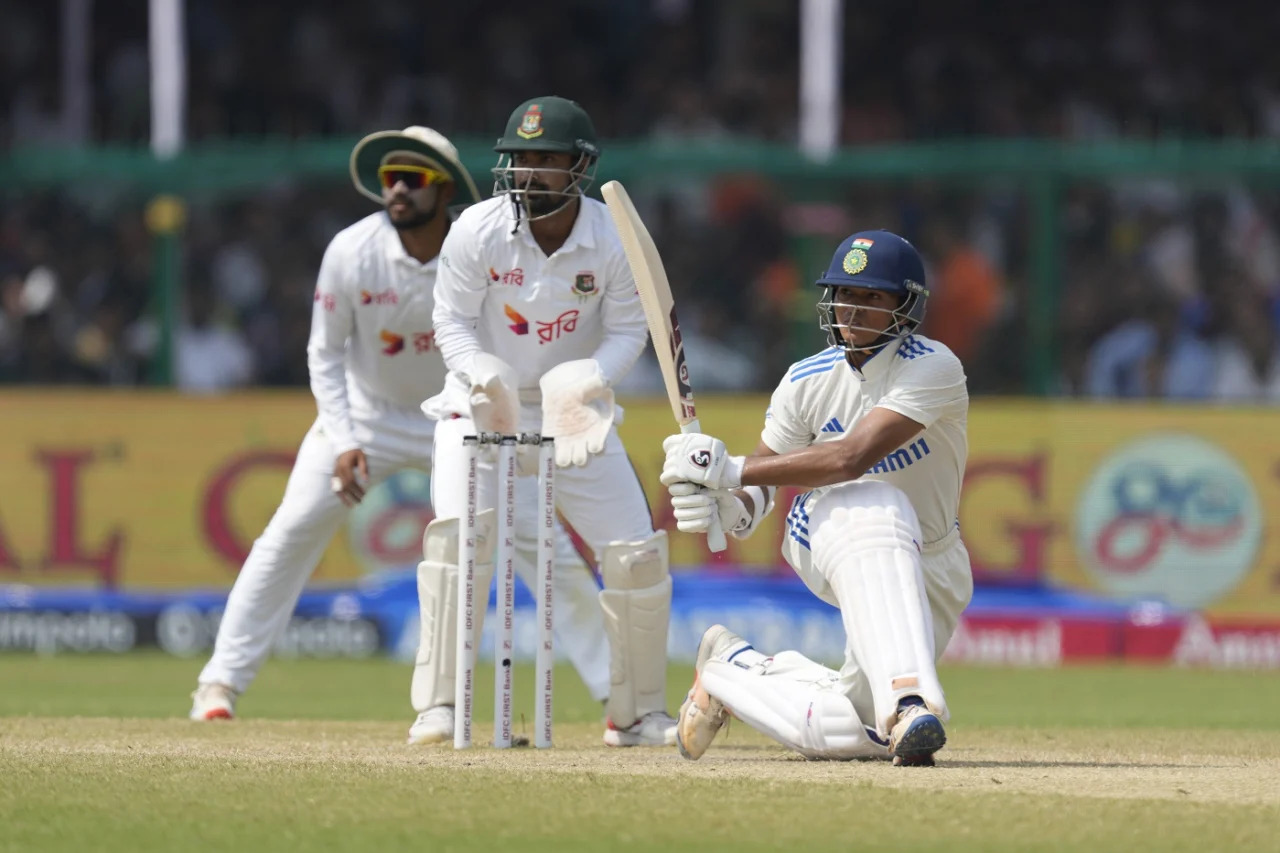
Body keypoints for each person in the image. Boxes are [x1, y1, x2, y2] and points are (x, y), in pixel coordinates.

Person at [188, 127, 606, 724]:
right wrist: (345, 437)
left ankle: (620, 701)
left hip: (459, 411)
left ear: (445, 190)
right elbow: (325, 354)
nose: (399, 190)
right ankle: (218, 685)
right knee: (287, 535)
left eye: (414, 179)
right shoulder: (351, 252)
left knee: (541, 540)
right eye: (390, 179)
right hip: (365, 417)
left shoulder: (480, 247)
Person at [412, 96, 677, 748]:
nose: (528, 173)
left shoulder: (611, 236)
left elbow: (628, 329)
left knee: (636, 553)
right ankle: (441, 706)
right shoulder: (475, 228)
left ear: (579, 167)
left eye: (545, 160)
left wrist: (585, 380)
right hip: (477, 400)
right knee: (460, 539)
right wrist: (482, 372)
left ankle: (637, 713)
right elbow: (448, 320)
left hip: (571, 408)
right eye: (519, 159)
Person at [660, 230, 973, 766]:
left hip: (935, 562)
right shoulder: (805, 380)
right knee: (872, 501)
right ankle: (909, 700)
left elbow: (850, 455)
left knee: (845, 732)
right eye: (844, 294)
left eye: (872, 297)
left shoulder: (933, 365)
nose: (852, 309)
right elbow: (759, 490)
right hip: (829, 530)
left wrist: (726, 469)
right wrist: (728, 503)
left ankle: (729, 668)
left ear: (904, 306)